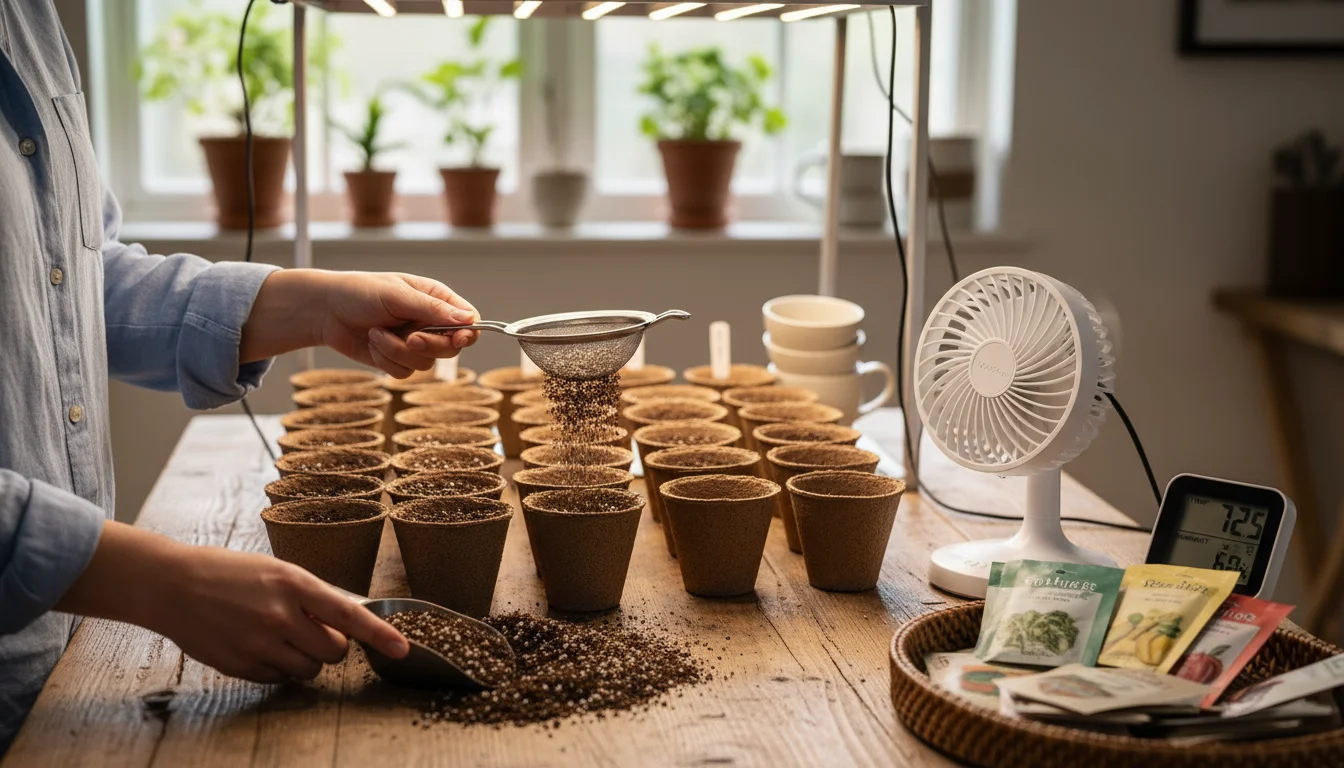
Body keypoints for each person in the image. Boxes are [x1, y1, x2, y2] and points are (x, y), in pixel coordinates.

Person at [0, 1, 481, 751]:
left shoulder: (28, 22)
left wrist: (312, 305)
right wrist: (160, 581)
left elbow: (71, 279)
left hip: (53, 656)